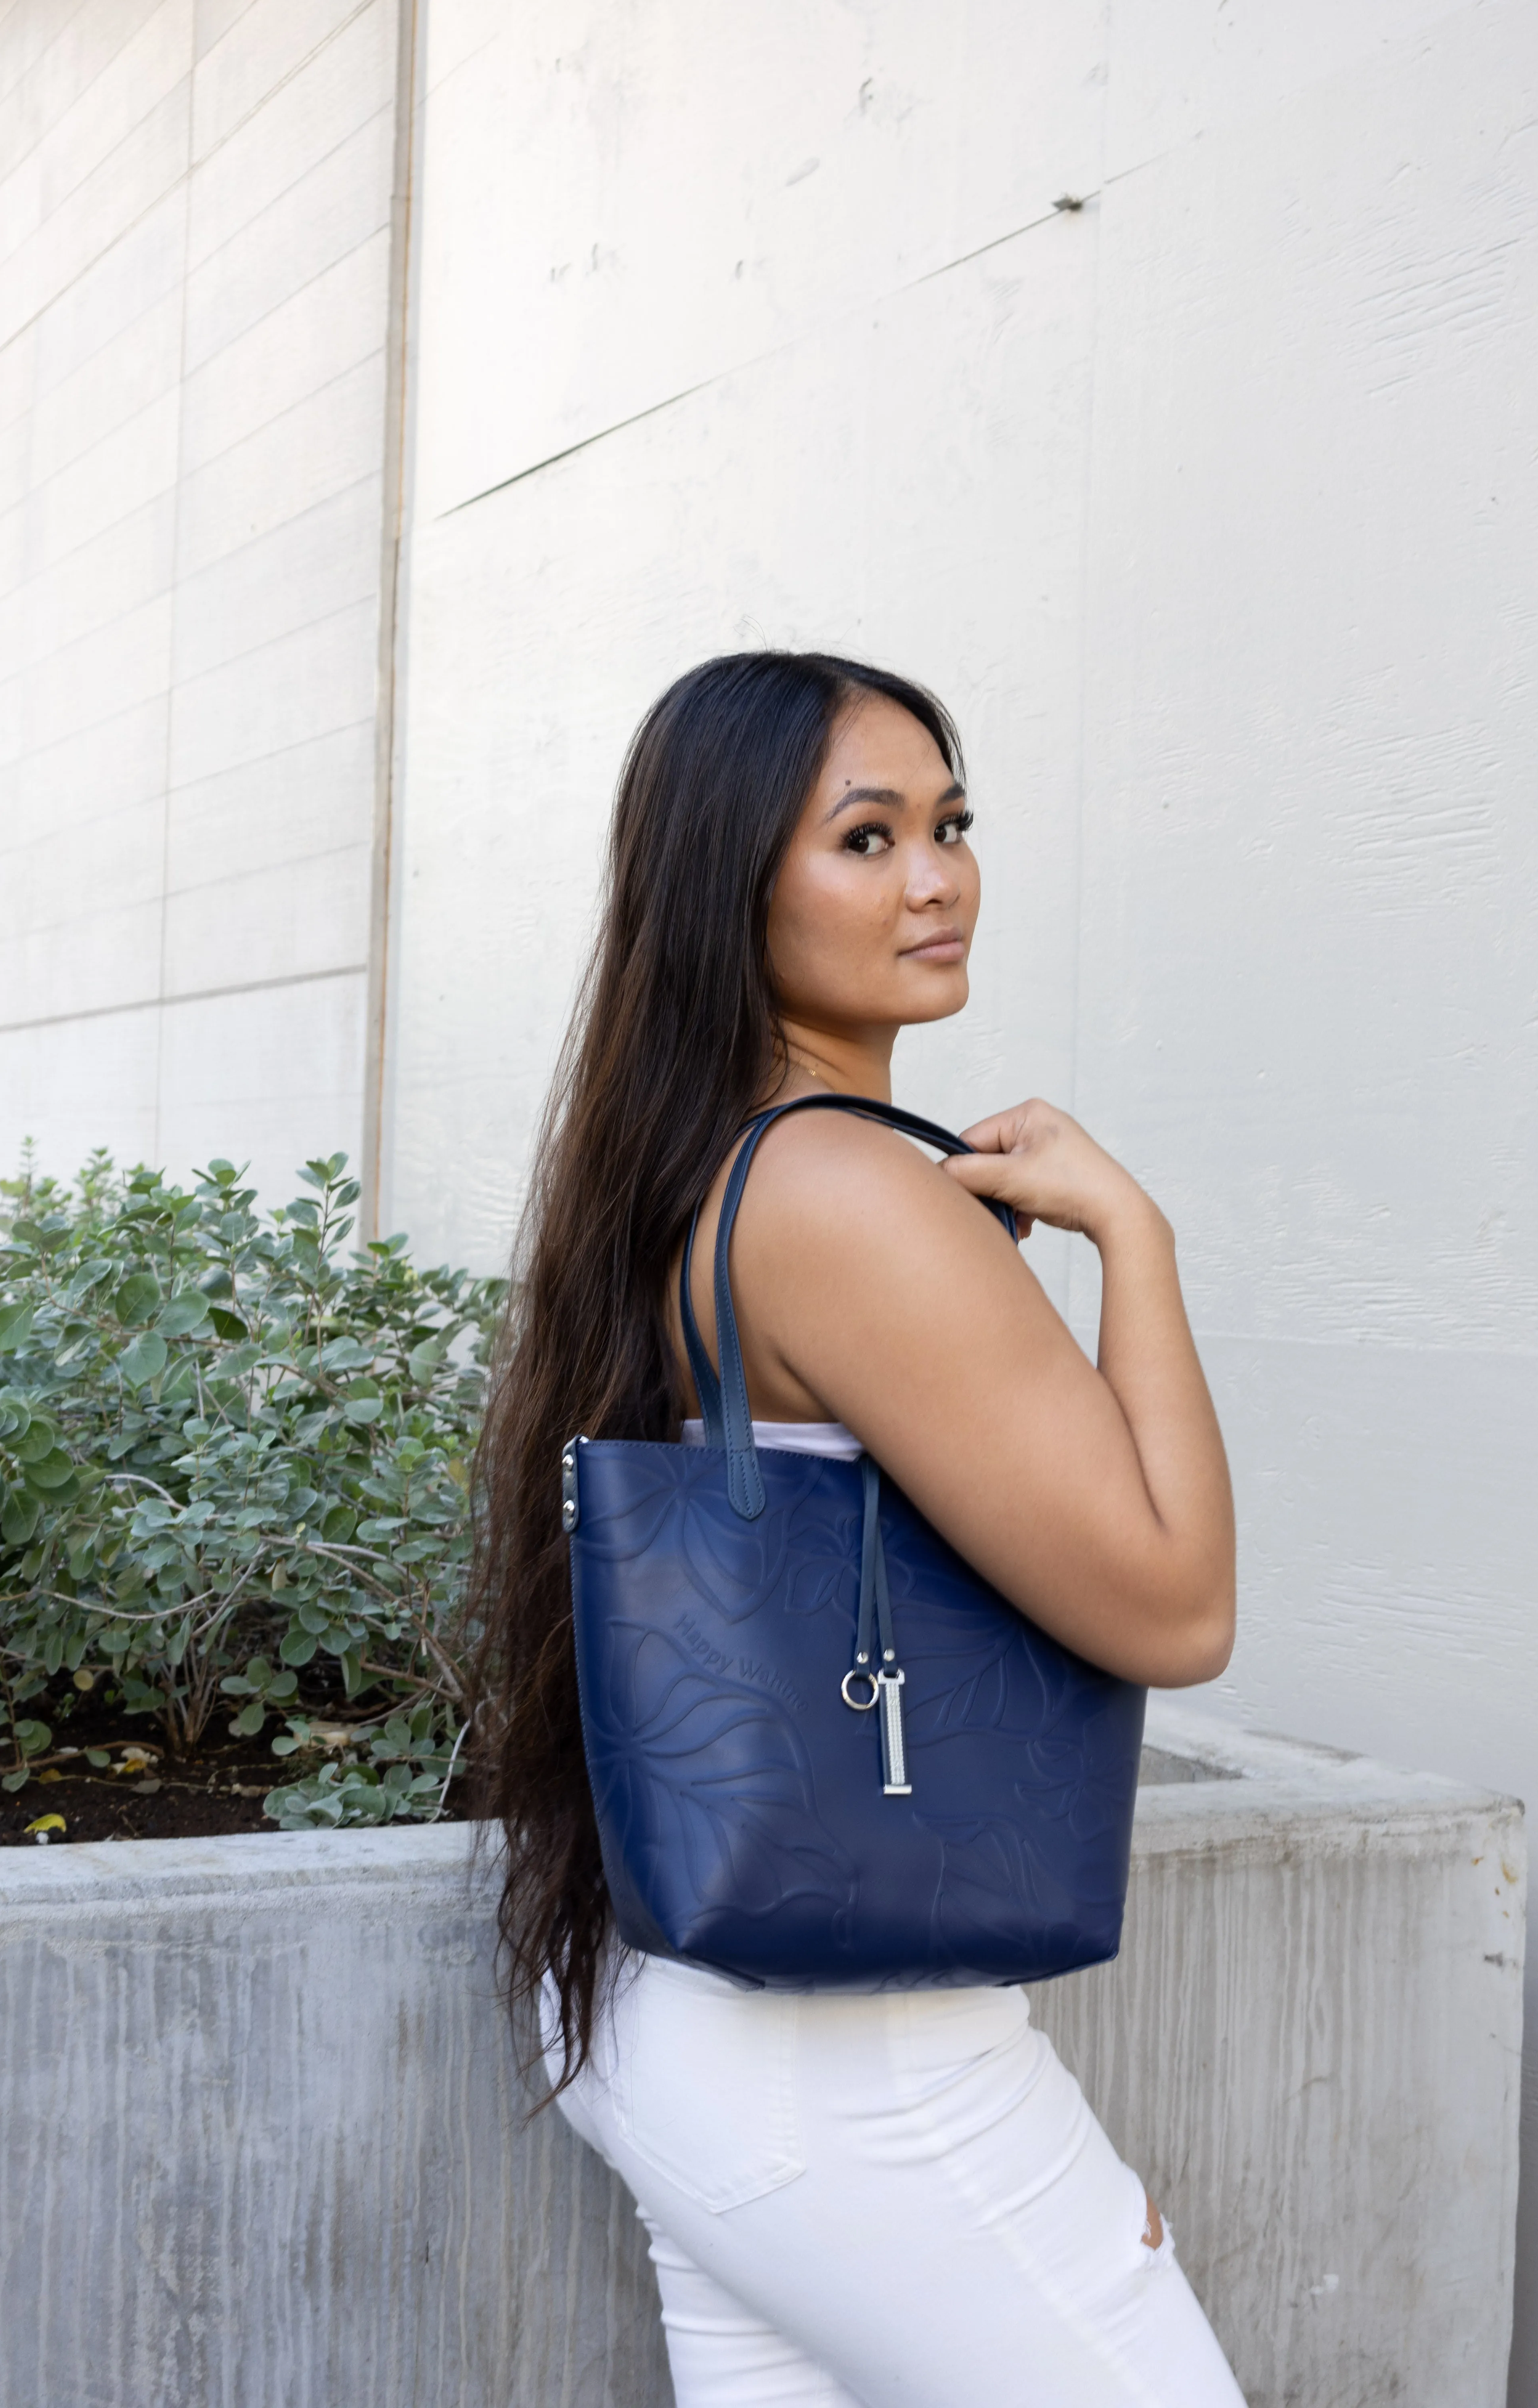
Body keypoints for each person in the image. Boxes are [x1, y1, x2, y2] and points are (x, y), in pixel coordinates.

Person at [471, 651, 1247, 2406]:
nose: (934, 877)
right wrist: (1138, 1237)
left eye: (951, 823)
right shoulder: (845, 1192)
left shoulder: (700, 1158)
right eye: (866, 836)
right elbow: (1174, 1606)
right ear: (728, 884)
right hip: (851, 2058)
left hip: (686, 2009)